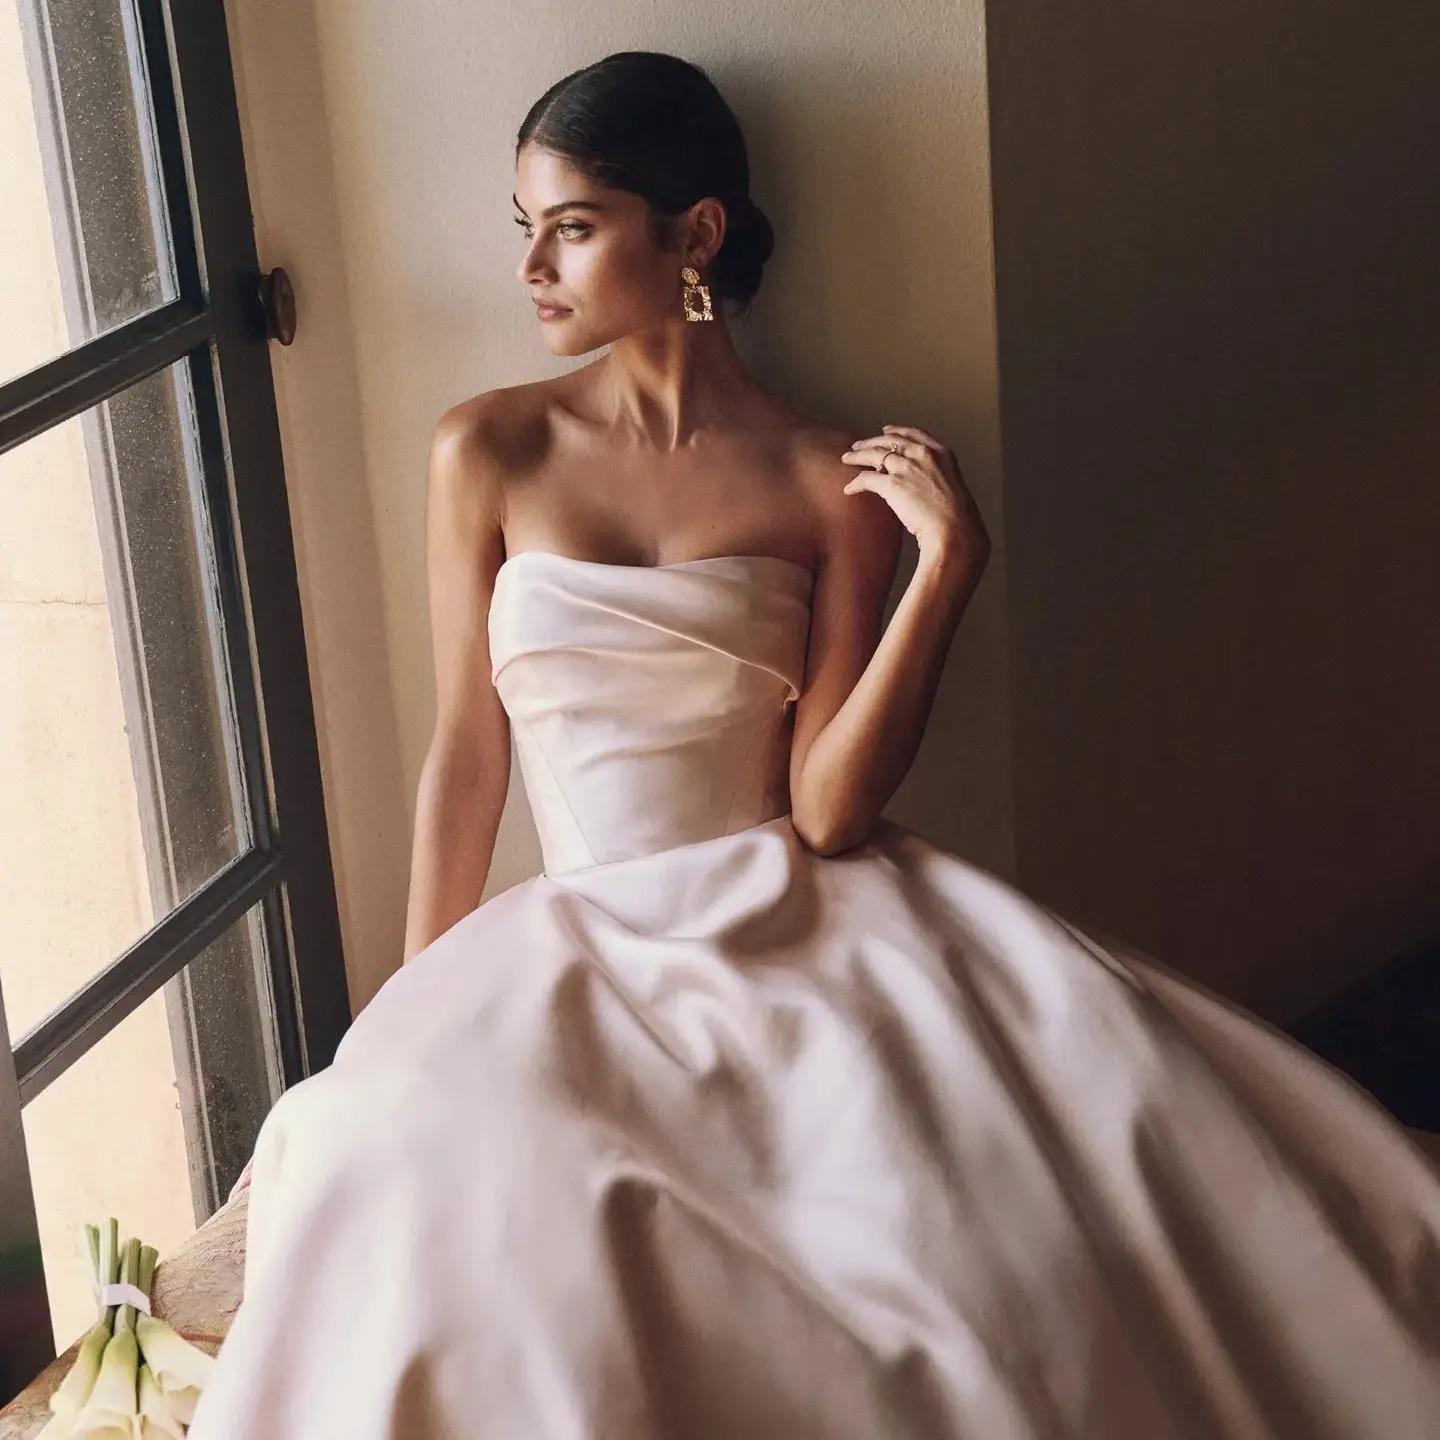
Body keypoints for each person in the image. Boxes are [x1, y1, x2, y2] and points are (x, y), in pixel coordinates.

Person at [190, 50, 1440, 1439]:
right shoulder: (486, 449)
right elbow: (467, 755)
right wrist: (403, 1022)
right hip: (572, 941)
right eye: (524, 228)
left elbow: (830, 806)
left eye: (575, 226)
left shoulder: (820, 474)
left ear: (696, 236)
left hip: (786, 913)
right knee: (440, 1183)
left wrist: (946, 570)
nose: (533, 267)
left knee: (957, 1254)